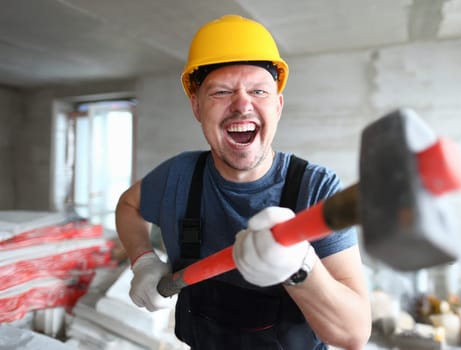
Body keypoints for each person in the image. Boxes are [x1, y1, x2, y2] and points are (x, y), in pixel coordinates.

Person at [115, 14, 371, 350]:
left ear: (277, 106)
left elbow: (354, 333)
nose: (241, 105)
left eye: (258, 91)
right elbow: (128, 205)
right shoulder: (177, 176)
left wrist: (300, 267)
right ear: (196, 106)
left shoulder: (316, 189)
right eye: (221, 92)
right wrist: (143, 260)